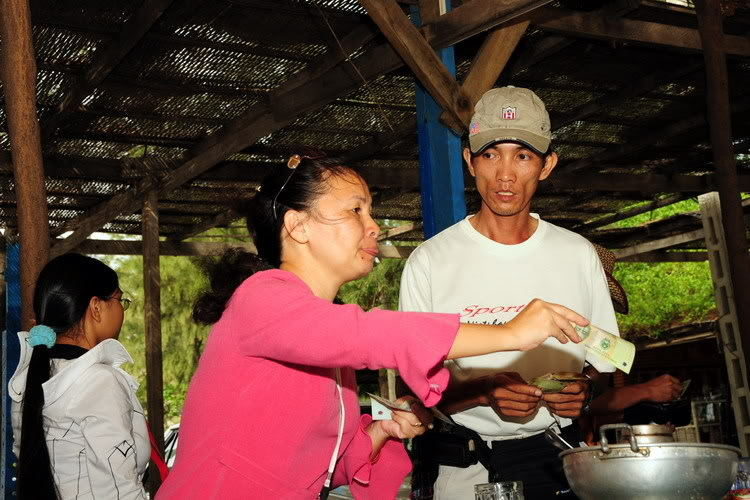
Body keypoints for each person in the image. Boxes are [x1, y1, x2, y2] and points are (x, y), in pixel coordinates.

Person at [156, 152, 589, 500]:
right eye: (355, 210)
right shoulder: (262, 296)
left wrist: (381, 430)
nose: (373, 226)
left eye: (371, 210)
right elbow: (371, 332)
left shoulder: (318, 338)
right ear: (298, 226)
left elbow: (327, 466)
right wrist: (512, 333)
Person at [399, 87, 621, 499]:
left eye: (522, 156)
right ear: (469, 161)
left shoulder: (577, 254)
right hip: (468, 468)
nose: (505, 174)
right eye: (490, 155)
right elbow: (413, 389)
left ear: (547, 165)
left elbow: (606, 364)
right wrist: (483, 392)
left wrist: (584, 390)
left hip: (559, 458)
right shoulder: (430, 262)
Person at [9, 253, 147, 500]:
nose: (121, 309)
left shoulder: (28, 379)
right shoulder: (99, 380)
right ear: (96, 307)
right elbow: (119, 488)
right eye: (119, 299)